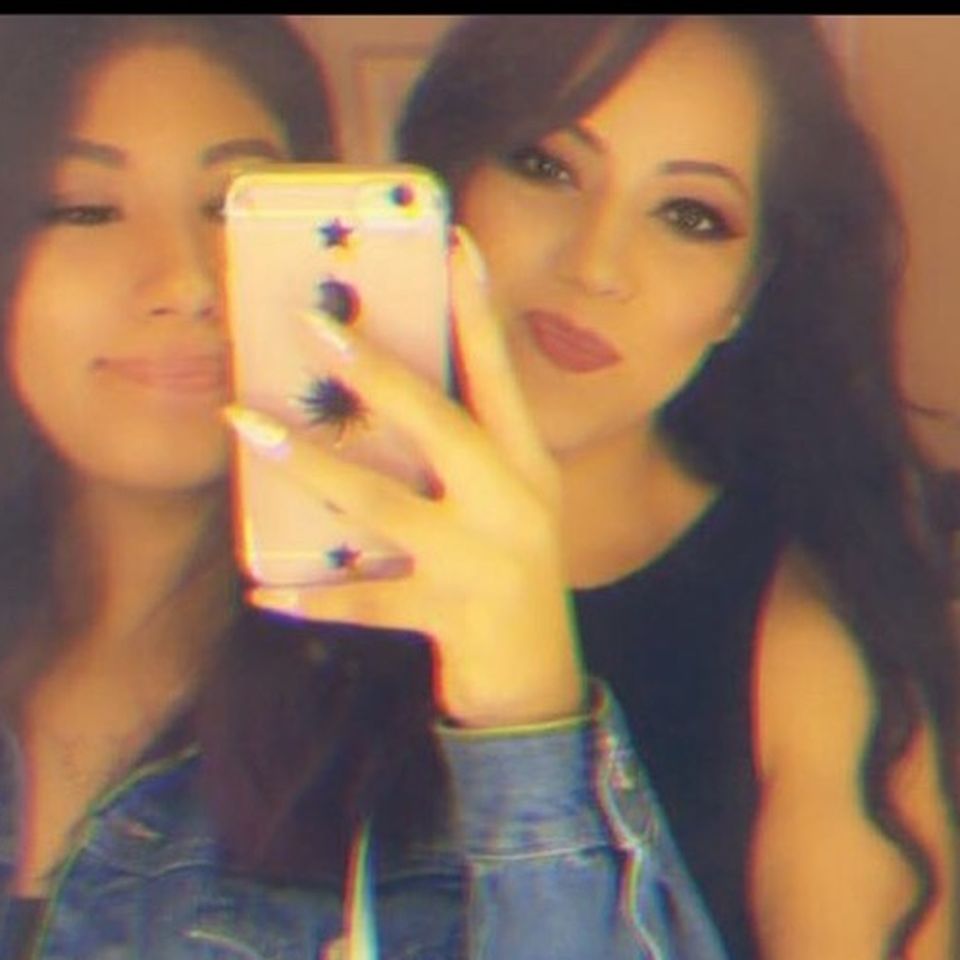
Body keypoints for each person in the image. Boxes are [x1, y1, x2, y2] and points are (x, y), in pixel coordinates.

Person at [232, 13, 960, 960]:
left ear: (745, 290)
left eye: (689, 217)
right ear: (447, 184)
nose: (596, 265)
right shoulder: (271, 530)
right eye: (547, 168)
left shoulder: (805, 636)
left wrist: (532, 726)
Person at [0, 13, 727, 959]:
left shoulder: (427, 731)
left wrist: (525, 716)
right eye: (85, 208)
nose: (185, 282)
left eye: (233, 208)